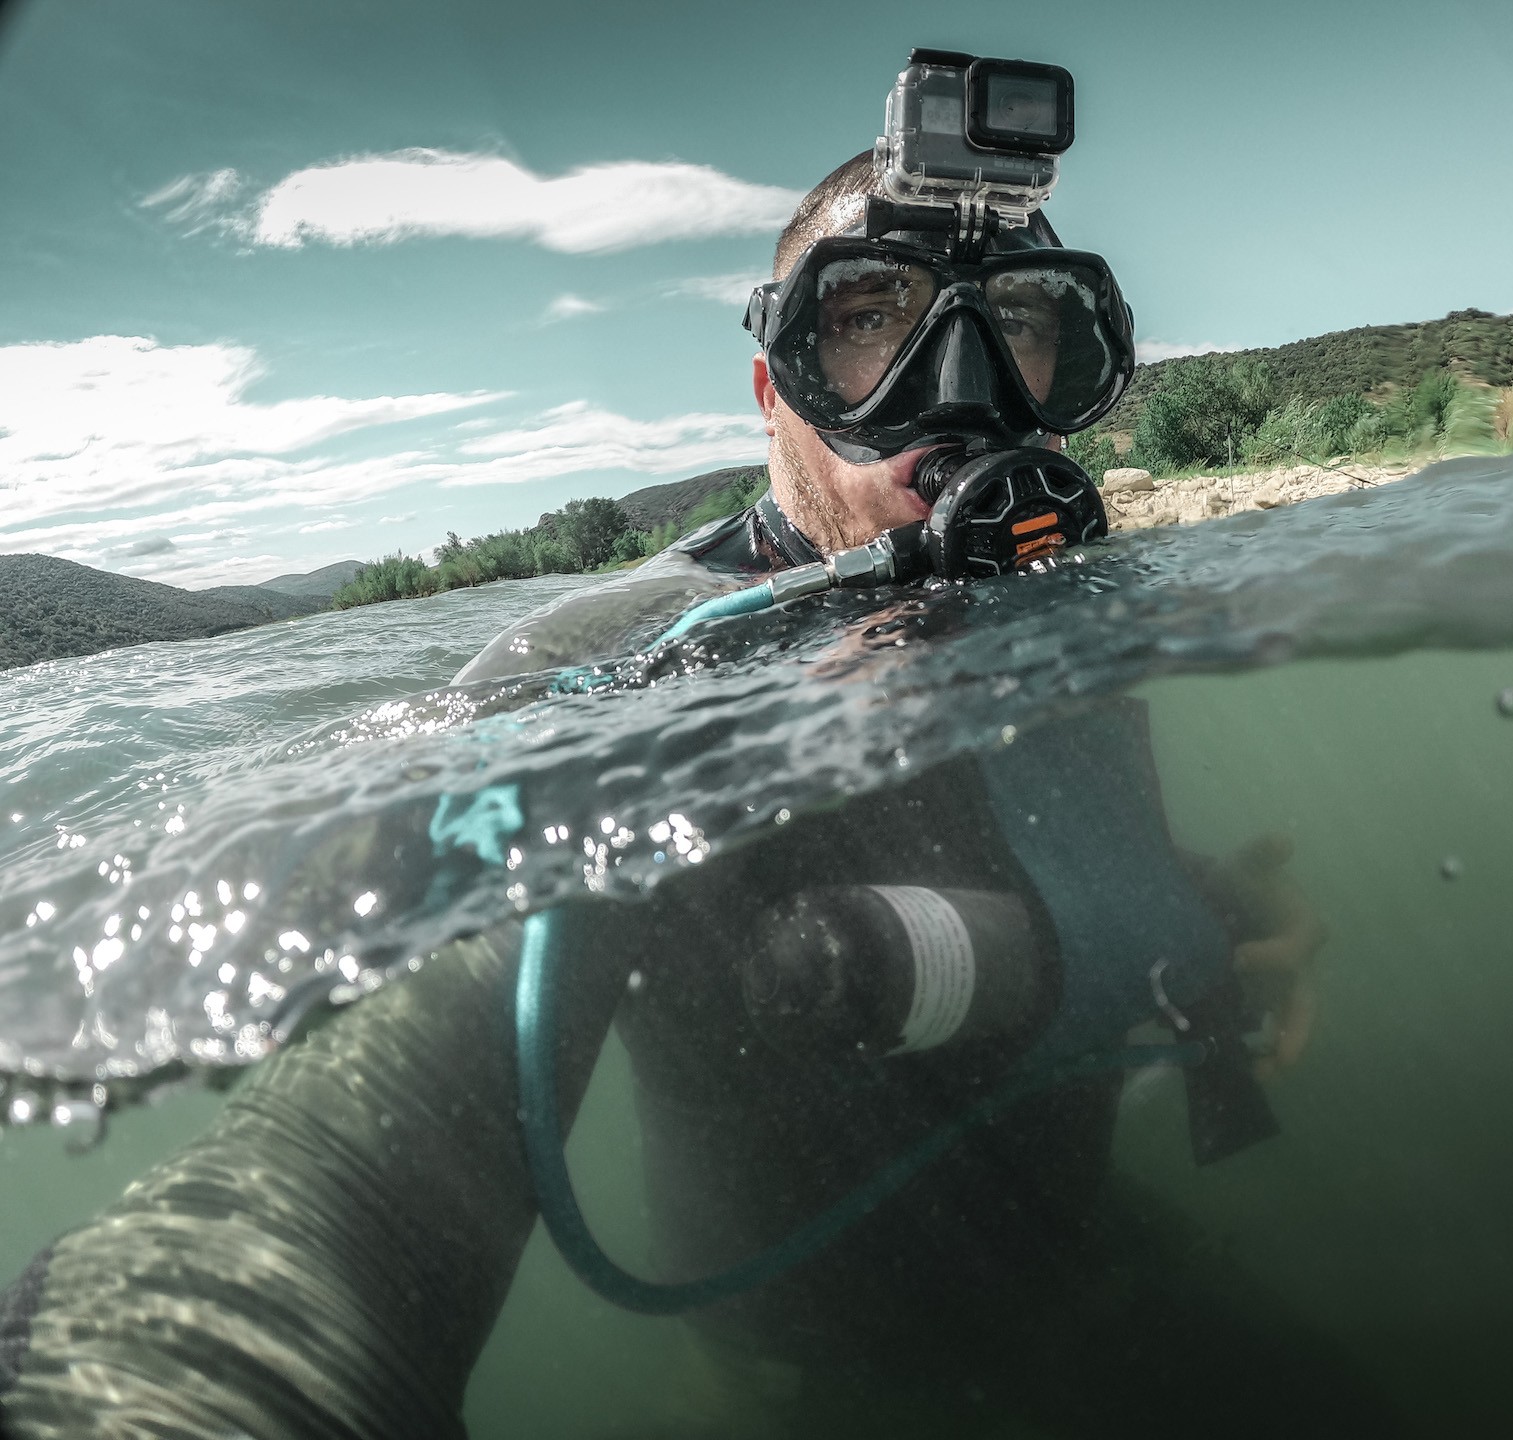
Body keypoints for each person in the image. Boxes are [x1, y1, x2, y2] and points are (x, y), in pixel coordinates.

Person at [0, 148, 1373, 1440]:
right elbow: (337, 1187)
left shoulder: (1048, 588)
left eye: (1015, 324)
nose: (954, 391)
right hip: (816, 1377)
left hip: (1089, 1258)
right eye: (870, 320)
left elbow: (1034, 866)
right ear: (774, 389)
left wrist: (1208, 908)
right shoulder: (628, 670)